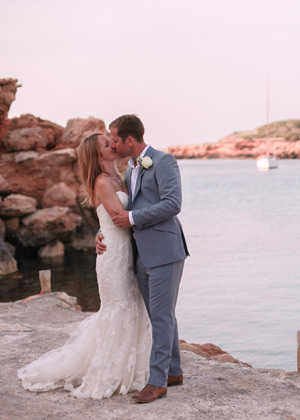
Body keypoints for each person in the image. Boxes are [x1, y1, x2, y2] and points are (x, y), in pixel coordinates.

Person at [17, 133, 151, 399]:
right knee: (118, 309)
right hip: (113, 255)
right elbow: (120, 219)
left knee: (133, 306)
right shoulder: (102, 182)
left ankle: (133, 366)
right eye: (106, 144)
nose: (113, 145)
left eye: (110, 141)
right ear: (97, 155)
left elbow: (114, 217)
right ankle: (111, 371)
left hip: (127, 253)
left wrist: (99, 231)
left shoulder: (122, 176)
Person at [96, 114, 189, 403]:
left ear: (130, 140)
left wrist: (133, 218)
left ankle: (157, 382)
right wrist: (101, 231)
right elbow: (118, 208)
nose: (113, 145)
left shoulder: (163, 161)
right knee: (160, 316)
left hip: (165, 251)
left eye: (115, 140)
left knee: (161, 318)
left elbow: (173, 204)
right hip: (140, 255)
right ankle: (173, 371)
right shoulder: (130, 170)